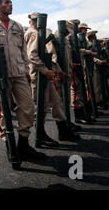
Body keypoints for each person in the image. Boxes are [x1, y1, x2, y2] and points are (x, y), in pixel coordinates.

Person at [0, 0, 46, 161]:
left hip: (19, 73)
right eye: (6, 2)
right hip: (1, 75)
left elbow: (23, 53)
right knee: (5, 112)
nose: (10, 4)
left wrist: (27, 71)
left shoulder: (18, 26)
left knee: (28, 107)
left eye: (11, 2)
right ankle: (10, 147)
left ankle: (23, 145)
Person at [25, 13, 80, 145]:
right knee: (41, 106)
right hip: (39, 74)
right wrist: (46, 70)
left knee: (56, 102)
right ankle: (40, 134)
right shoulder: (34, 33)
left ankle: (63, 131)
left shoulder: (37, 33)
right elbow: (32, 56)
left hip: (45, 73)